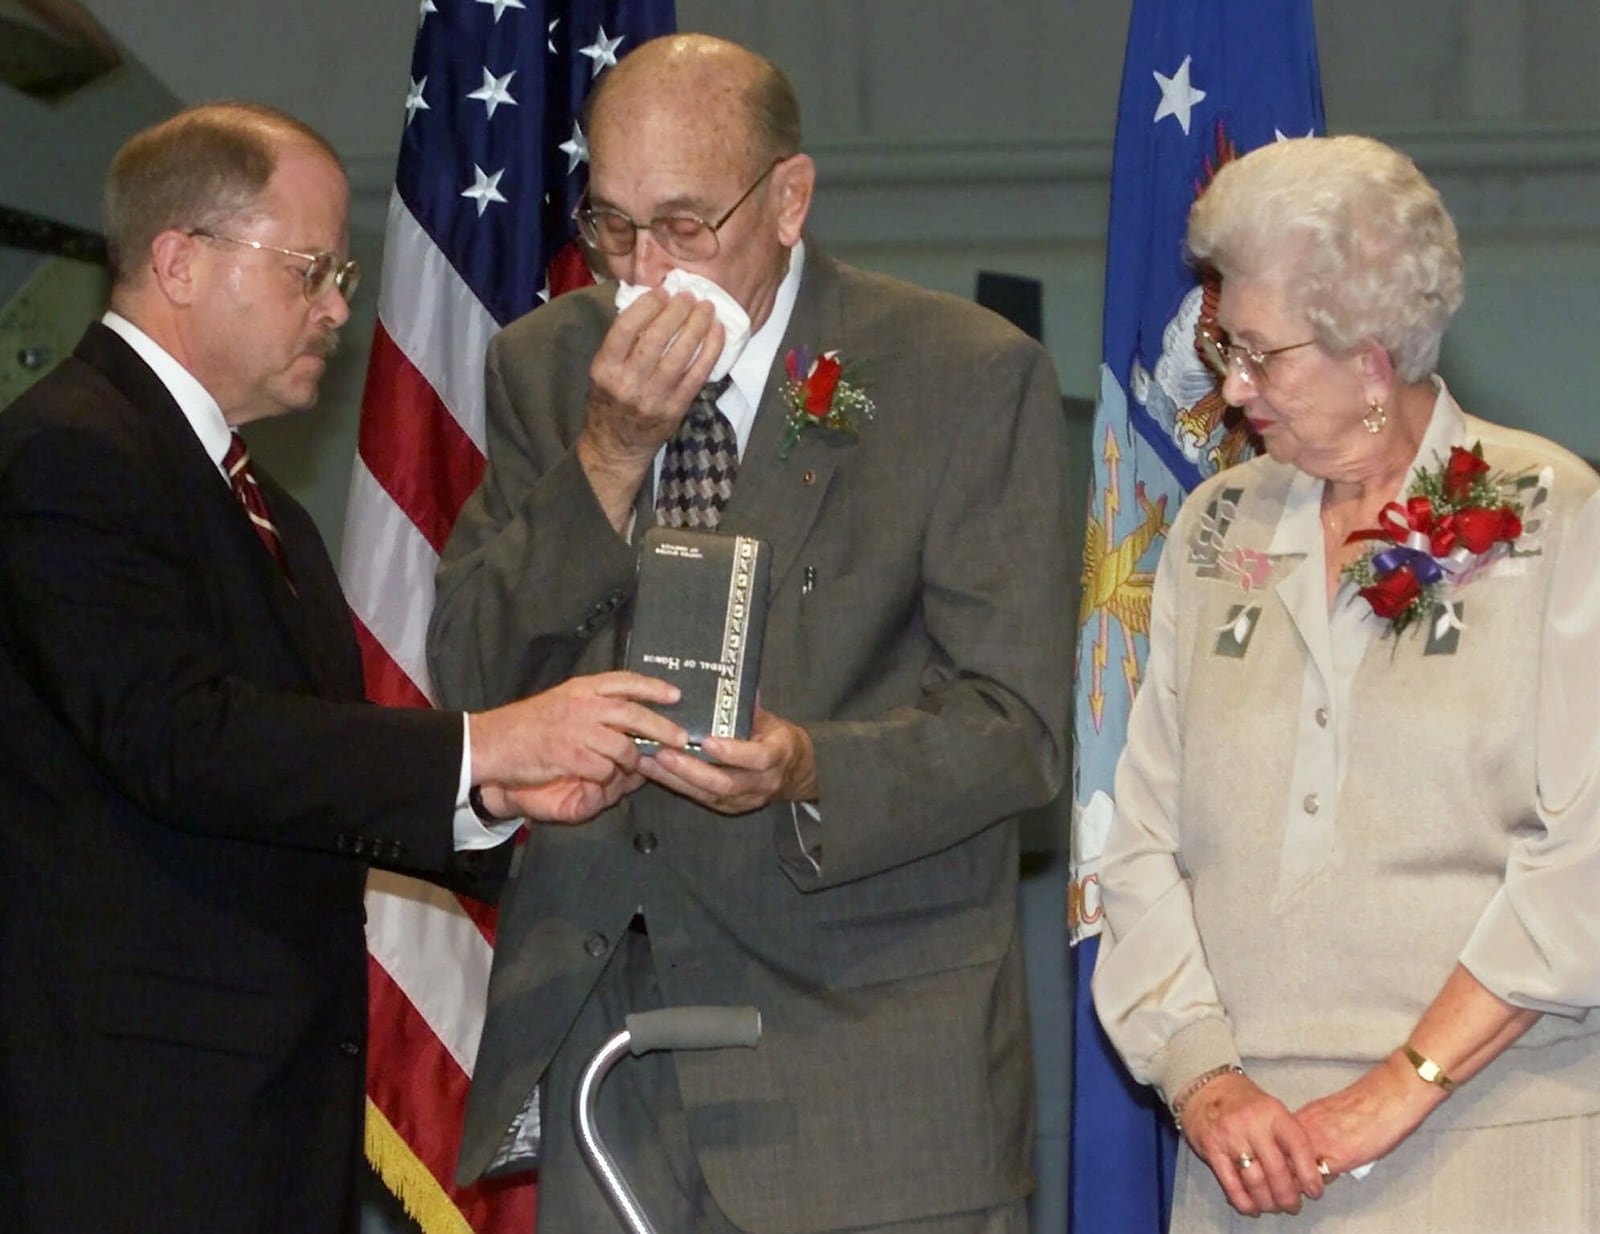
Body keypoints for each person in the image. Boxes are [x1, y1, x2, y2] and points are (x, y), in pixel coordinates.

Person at [0, 101, 687, 1234]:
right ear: (179, 260)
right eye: (311, 269)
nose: (336, 307)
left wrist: (488, 796)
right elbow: (181, 738)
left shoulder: (257, 505)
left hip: (250, 1120)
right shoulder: (71, 454)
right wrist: (485, 742)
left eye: (346, 274)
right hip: (128, 1130)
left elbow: (295, 775)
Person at [427, 33, 1072, 1234]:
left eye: (683, 223)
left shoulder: (961, 374)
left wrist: (812, 766)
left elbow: (1019, 731)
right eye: (611, 227)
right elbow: (471, 671)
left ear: (788, 199)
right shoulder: (547, 366)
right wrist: (610, 455)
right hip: (610, 1050)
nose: (643, 270)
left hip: (865, 1065)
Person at [1092, 133, 1600, 1233]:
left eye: (1261, 356)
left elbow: (1587, 857)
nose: (1232, 387)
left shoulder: (1553, 512)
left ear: (1370, 358)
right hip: (1248, 1163)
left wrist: (1396, 1086)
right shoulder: (1212, 527)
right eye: (1229, 347)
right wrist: (1202, 1079)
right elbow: (1134, 844)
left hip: (1500, 1148)